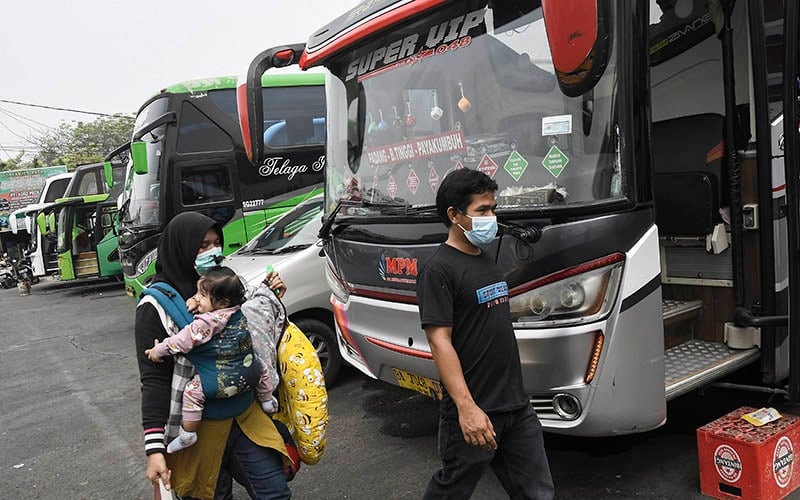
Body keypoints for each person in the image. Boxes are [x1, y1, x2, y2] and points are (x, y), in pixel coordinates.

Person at [416, 168, 554, 499]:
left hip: (516, 407)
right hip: (475, 409)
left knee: (538, 493)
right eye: (482, 210)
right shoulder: (439, 270)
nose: (491, 218)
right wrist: (467, 408)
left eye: (493, 209)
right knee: (452, 491)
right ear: (454, 215)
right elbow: (439, 341)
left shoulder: (486, 259)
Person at [136, 211, 292, 500]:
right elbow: (154, 381)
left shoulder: (224, 285)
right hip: (199, 430)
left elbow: (249, 330)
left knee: (275, 493)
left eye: (216, 243)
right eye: (202, 246)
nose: (213, 252)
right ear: (180, 248)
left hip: (246, 418)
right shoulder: (154, 306)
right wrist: (155, 449)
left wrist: (272, 296)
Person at [144, 266, 280, 454]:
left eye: (202, 295)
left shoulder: (208, 322)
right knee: (262, 366)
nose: (197, 298)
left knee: (192, 392)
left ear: (222, 302)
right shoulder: (236, 309)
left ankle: (187, 434)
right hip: (250, 371)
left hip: (221, 381)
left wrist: (158, 350)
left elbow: (182, 342)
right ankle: (267, 399)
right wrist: (196, 300)